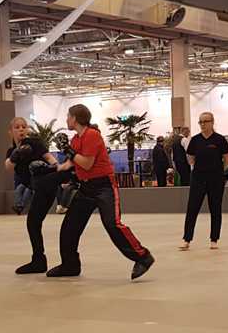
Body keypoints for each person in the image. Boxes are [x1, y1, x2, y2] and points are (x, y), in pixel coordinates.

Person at [47, 104, 155, 280]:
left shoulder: (92, 135)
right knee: (69, 226)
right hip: (86, 188)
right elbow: (70, 164)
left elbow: (87, 163)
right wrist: (51, 168)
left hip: (104, 186)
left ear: (74, 118)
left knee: (112, 224)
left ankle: (143, 257)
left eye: (68, 116)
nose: (66, 120)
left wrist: (68, 151)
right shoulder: (75, 140)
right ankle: (70, 265)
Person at [4, 117, 69, 275]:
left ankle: (39, 260)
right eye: (17, 127)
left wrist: (55, 169)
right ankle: (38, 259)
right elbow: (8, 166)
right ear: (10, 131)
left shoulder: (34, 143)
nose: (21, 129)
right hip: (36, 188)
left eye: (23, 126)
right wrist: (16, 155)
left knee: (33, 223)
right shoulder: (12, 151)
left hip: (45, 185)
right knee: (33, 223)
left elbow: (49, 157)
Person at [180, 112, 228, 251]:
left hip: (216, 179)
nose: (202, 124)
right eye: (200, 122)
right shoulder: (195, 140)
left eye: (205, 121)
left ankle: (214, 239)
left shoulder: (220, 139)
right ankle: (187, 239)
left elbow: (227, 158)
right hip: (198, 178)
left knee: (215, 208)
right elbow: (190, 158)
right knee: (192, 208)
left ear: (212, 122)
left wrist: (218, 171)